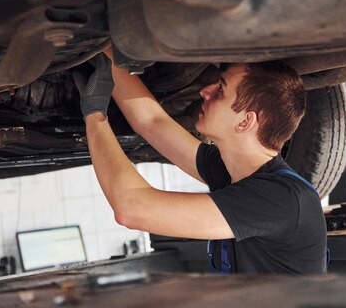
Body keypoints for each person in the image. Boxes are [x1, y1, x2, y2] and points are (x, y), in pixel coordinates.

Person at [74, 46, 327, 274]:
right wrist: (106, 53)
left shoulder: (281, 199)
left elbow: (132, 209)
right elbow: (152, 122)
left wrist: (95, 114)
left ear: (245, 121)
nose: (204, 91)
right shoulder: (232, 172)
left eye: (220, 91)